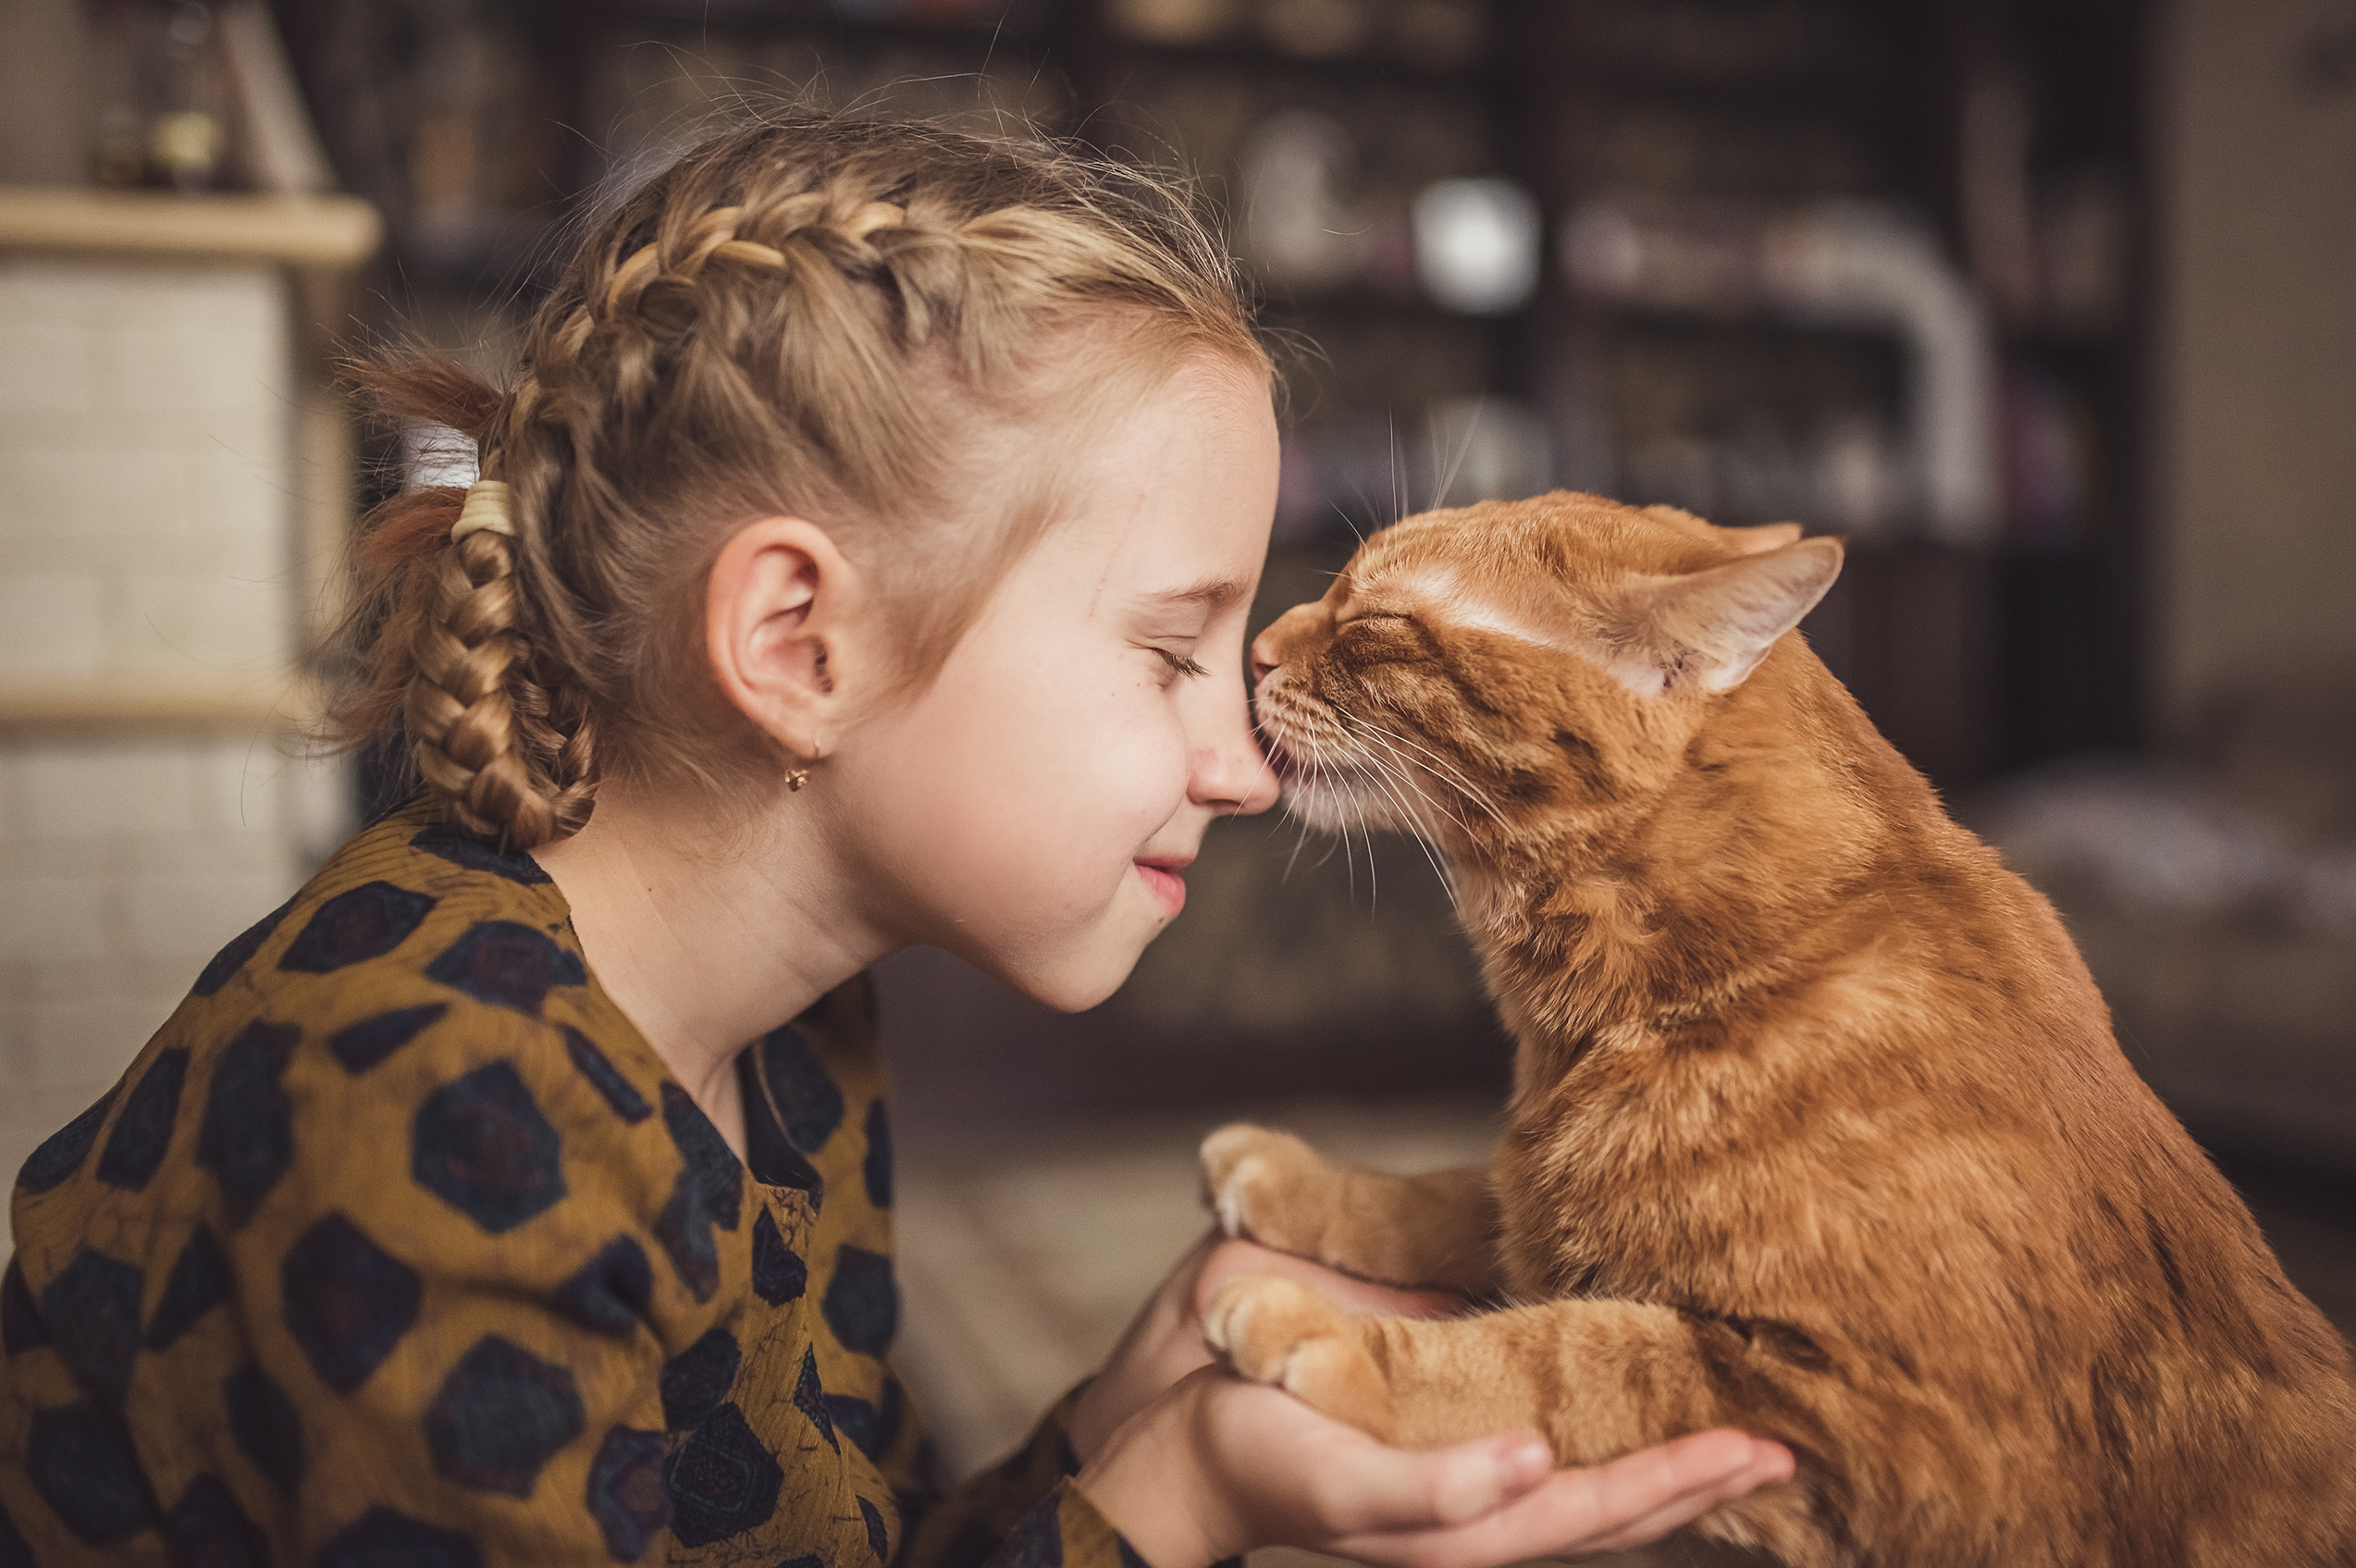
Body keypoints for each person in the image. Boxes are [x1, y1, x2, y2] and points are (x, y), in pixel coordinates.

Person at [0, 114, 1792, 1568]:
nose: (1243, 763)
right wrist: (1174, 1512)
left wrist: (1127, 1420)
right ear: (798, 643)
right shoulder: (424, 1099)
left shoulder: (781, 1030)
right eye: (1169, 651)